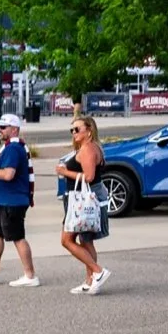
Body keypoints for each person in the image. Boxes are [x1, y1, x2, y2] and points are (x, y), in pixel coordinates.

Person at [0, 116, 39, 286]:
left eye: (3, 127)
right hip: (5, 201)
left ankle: (30, 275)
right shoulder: (12, 147)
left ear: (14, 129)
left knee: (18, 237)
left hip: (13, 202)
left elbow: (8, 175)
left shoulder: (13, 149)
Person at [59, 115, 109, 294]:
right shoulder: (90, 147)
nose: (74, 133)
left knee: (66, 240)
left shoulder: (88, 149)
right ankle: (90, 282)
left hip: (83, 201)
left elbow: (88, 177)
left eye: (77, 129)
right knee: (86, 241)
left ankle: (98, 271)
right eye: (71, 130)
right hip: (84, 200)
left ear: (89, 131)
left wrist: (65, 171)